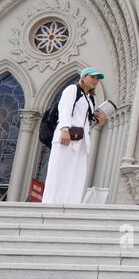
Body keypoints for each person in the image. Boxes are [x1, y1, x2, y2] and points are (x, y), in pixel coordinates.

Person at [41, 68, 106, 205]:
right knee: (59, 171)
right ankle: (51, 203)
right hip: (67, 137)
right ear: (83, 77)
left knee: (76, 174)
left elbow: (85, 123)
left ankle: (70, 204)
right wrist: (64, 129)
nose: (96, 81)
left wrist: (99, 123)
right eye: (93, 77)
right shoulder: (72, 90)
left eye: (98, 79)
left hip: (80, 140)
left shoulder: (90, 99)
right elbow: (65, 109)